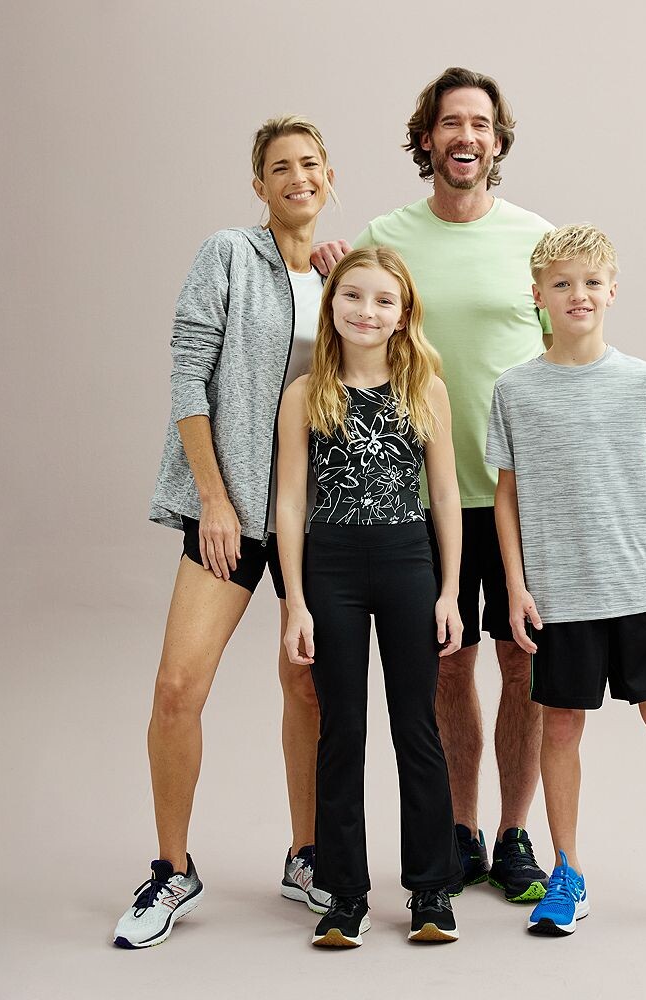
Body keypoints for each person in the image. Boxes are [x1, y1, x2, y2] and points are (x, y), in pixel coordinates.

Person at [312, 67, 553, 904]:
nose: (466, 137)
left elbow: (565, 358)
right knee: (448, 668)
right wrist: (326, 266)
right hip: (417, 505)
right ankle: (459, 830)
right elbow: (346, 315)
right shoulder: (388, 233)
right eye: (451, 123)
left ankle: (514, 834)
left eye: (480, 124)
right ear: (427, 139)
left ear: (498, 140)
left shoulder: (536, 240)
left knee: (523, 664)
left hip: (519, 498)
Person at [485, 224, 646, 937]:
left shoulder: (641, 381)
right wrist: (515, 586)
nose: (579, 294)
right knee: (560, 725)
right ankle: (566, 872)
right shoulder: (515, 390)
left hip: (636, 586)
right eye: (562, 283)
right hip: (559, 595)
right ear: (537, 296)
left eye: (592, 282)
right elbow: (506, 496)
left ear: (612, 292)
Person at [112, 116, 336, 950]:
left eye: (309, 164)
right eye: (280, 168)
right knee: (178, 688)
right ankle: (172, 869)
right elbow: (188, 374)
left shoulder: (342, 275)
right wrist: (213, 498)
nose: (297, 178)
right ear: (259, 185)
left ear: (330, 175)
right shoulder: (229, 256)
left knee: (306, 687)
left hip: (314, 516)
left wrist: (354, 284)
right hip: (233, 509)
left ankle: (306, 855)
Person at [276, 246, 464, 947]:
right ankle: (344, 894)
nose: (366, 311)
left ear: (404, 314)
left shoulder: (425, 388)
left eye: (384, 300)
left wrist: (449, 591)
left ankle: (431, 890)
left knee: (417, 726)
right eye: (352, 296)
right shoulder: (306, 393)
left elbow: (444, 494)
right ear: (331, 306)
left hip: (407, 559)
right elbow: (290, 502)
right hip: (332, 566)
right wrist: (296, 601)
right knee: (341, 728)